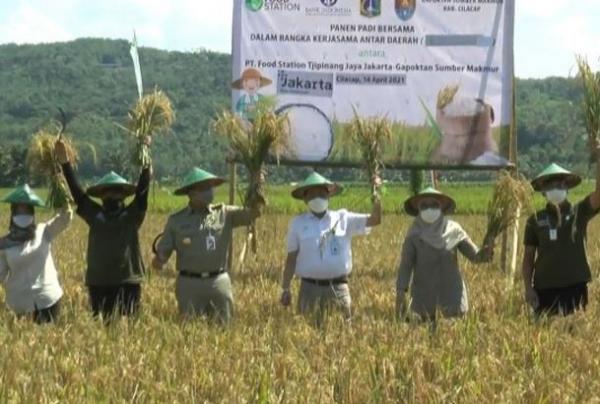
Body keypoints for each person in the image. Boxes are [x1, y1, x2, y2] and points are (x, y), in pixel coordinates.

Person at [56, 138, 151, 319]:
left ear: (123, 195)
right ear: (101, 196)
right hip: (99, 283)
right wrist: (65, 163)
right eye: (107, 191)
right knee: (104, 329)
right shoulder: (94, 214)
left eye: (116, 191)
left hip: (128, 281)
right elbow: (78, 194)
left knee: (130, 332)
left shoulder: (133, 215)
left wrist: (146, 153)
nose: (112, 194)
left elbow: (143, 190)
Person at [152, 167, 260, 324]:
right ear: (191, 193)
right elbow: (163, 253)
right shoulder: (176, 221)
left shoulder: (225, 213)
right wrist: (159, 260)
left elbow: (253, 214)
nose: (209, 192)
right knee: (189, 332)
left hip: (218, 282)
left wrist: (256, 187)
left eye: (210, 187)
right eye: (203, 188)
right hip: (189, 285)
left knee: (224, 331)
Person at [280, 172, 382, 325]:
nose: (318, 198)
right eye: (313, 195)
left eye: (321, 193)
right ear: (305, 199)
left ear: (329, 196)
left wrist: (377, 195)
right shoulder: (298, 224)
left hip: (338, 289)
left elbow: (375, 220)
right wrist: (286, 288)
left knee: (342, 335)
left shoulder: (343, 218)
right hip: (308, 290)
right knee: (307, 335)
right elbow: (291, 258)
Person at [396, 187, 493, 321]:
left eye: (434, 205)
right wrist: (401, 292)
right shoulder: (414, 235)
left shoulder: (454, 230)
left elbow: (476, 257)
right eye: (424, 205)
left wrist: (487, 250)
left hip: (453, 298)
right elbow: (405, 266)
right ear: (418, 209)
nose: (429, 209)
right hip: (424, 300)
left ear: (441, 207)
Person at [522, 162, 600, 317]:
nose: (555, 189)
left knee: (575, 335)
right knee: (544, 337)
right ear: (543, 193)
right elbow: (528, 257)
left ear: (567, 188)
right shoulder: (535, 220)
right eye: (550, 186)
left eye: (560, 184)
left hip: (575, 287)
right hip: (544, 289)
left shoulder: (579, 212)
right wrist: (528, 288)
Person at [0, 185, 72, 324]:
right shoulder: (4, 244)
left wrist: (62, 194)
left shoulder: (43, 231)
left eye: (26, 209)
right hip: (20, 305)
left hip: (48, 299)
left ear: (32, 213)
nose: (23, 214)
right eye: (19, 210)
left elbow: (64, 219)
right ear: (12, 214)